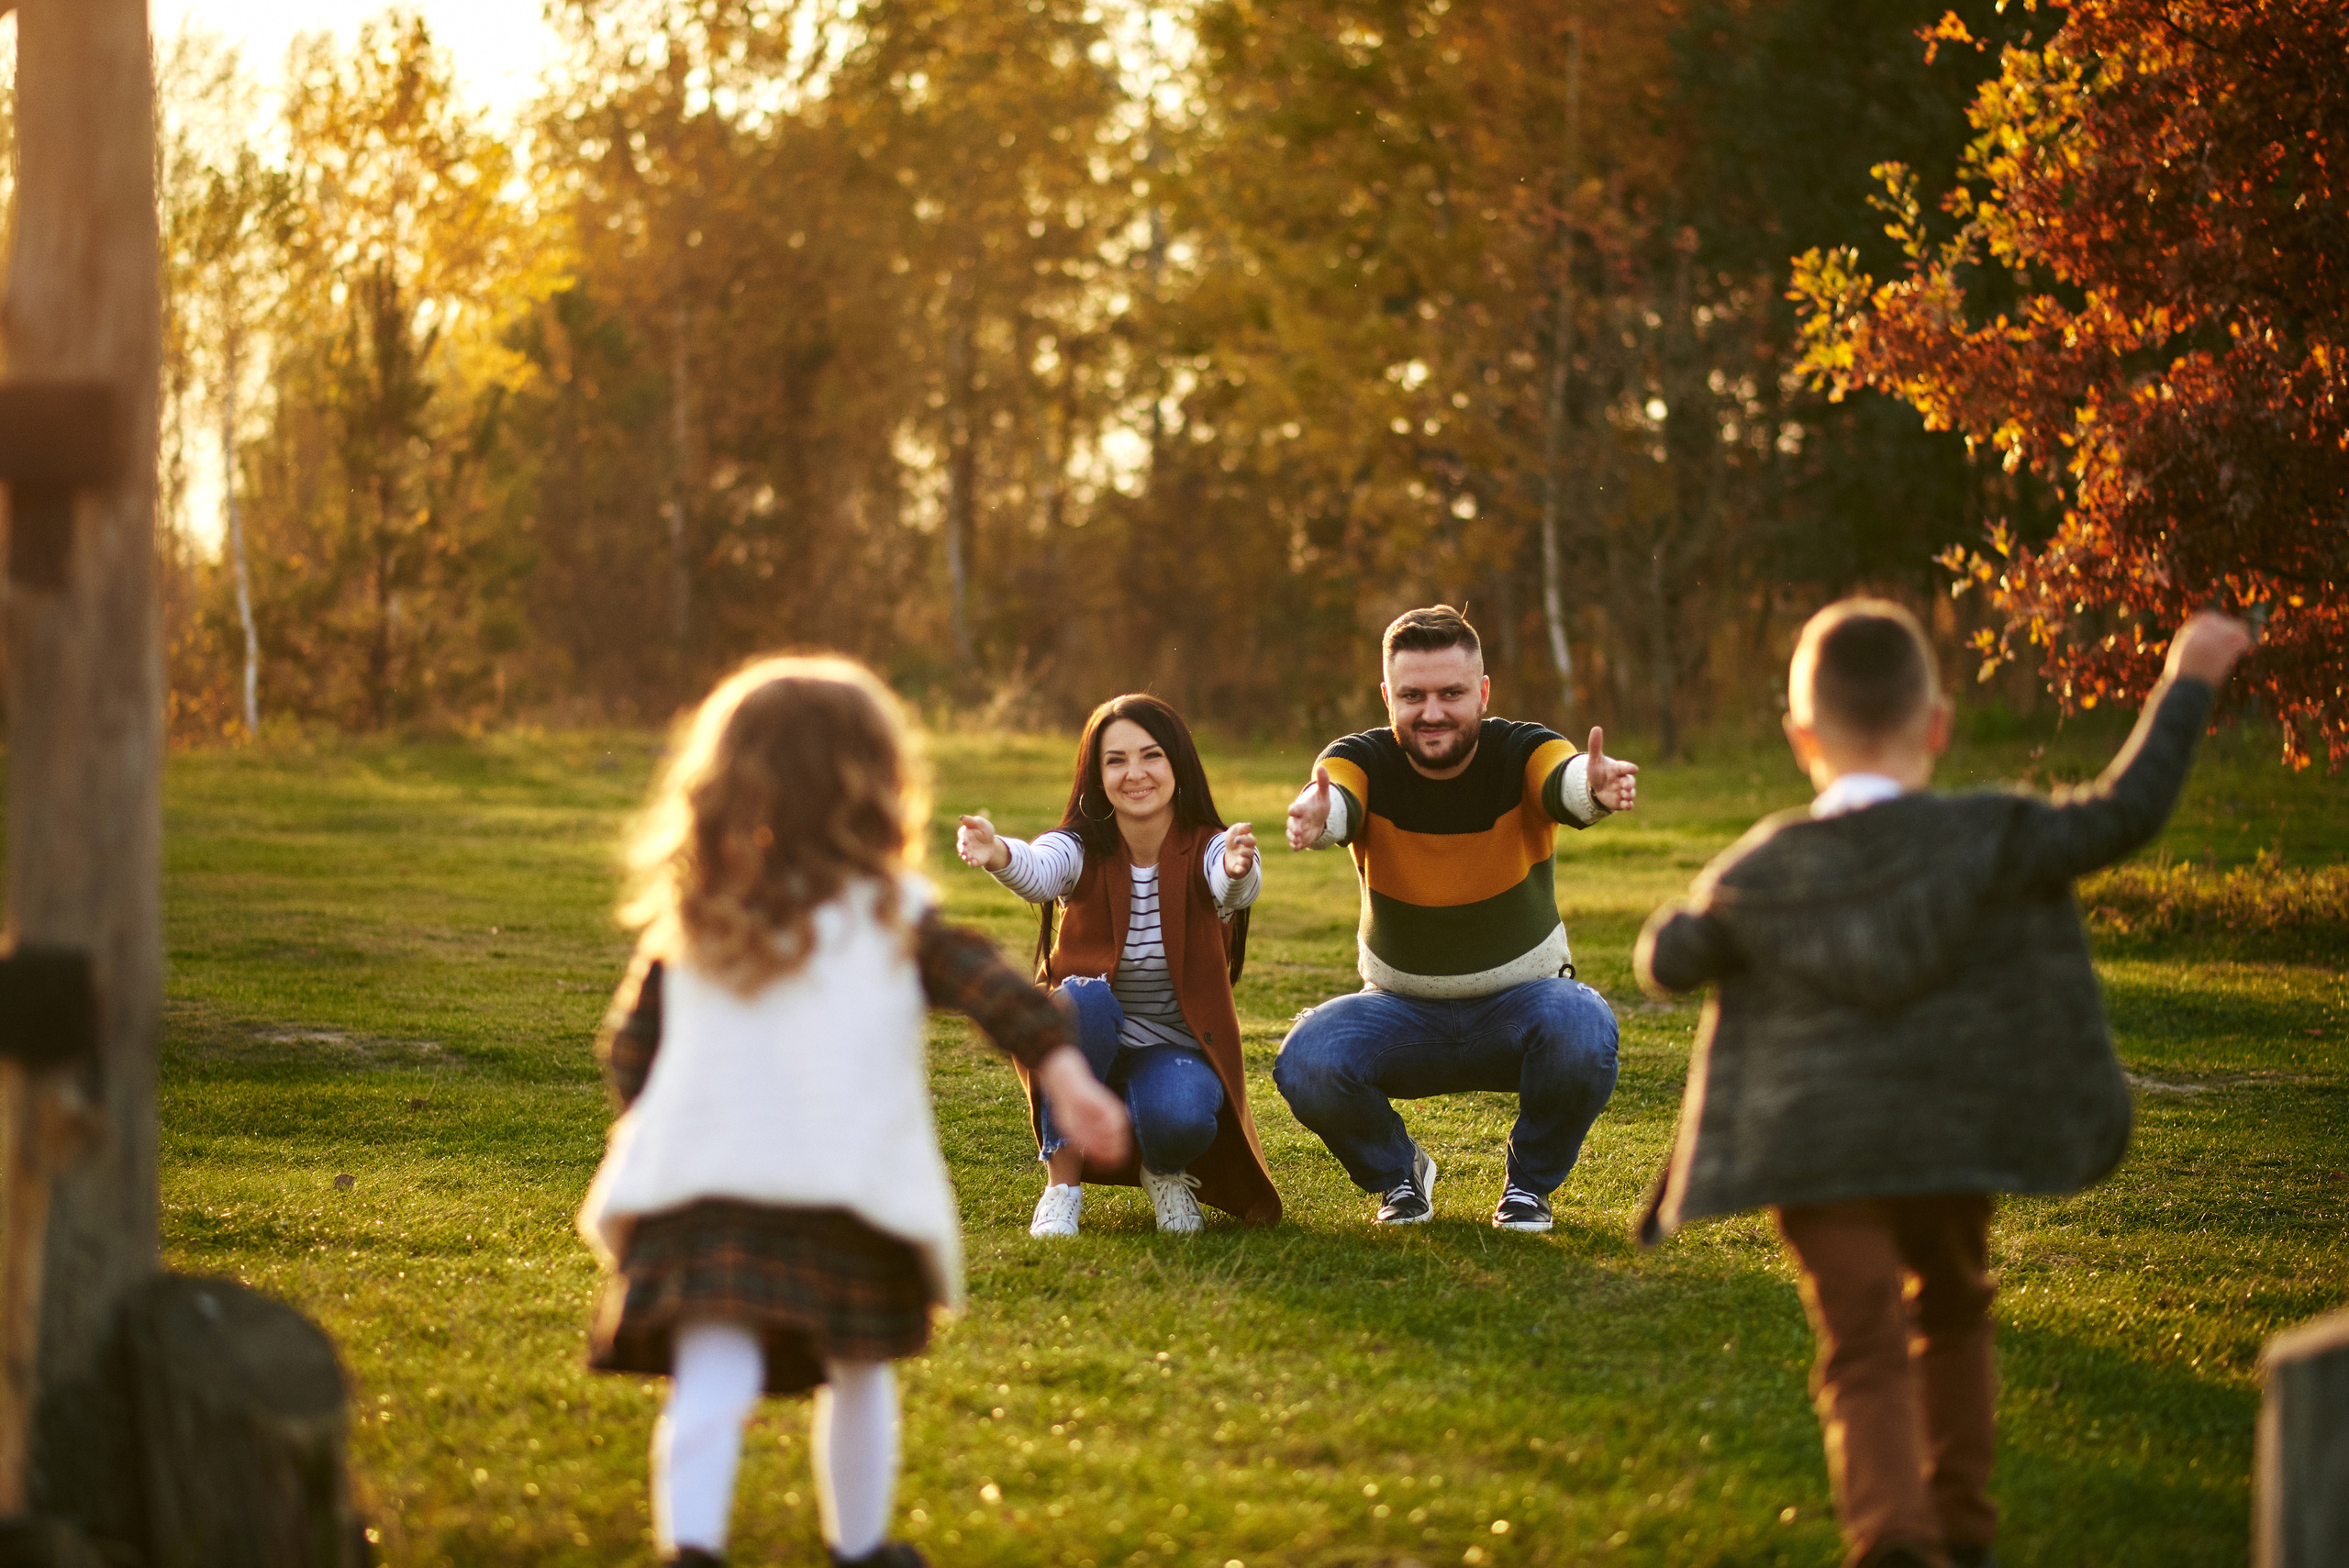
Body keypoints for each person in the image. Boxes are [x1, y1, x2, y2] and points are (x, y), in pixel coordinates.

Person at [1633, 601, 2256, 1568]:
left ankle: (1891, 1534)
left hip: (1814, 1149)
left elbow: (1668, 961)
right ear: (1936, 724)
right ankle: (1960, 1523)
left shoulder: (1764, 865)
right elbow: (2122, 811)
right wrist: (2188, 678)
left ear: (1801, 737)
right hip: (1949, 1130)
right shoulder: (1991, 832)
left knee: (1862, 1342)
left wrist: (1687, 926)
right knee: (1954, 1304)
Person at [574, 655, 1131, 1568]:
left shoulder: (697, 917)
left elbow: (627, 1049)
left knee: (711, 1370)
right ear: (873, 783)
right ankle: (861, 1547)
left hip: (707, 1190)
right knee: (860, 1370)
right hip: (844, 1188)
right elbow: (997, 989)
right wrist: (1065, 1070)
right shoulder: (888, 911)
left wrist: (663, 1125)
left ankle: (692, 1548)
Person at [1277, 605, 1639, 1231]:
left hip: (1523, 1007)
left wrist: (1592, 785)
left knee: (1582, 1023)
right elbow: (1337, 797)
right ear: (1388, 695)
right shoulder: (1361, 758)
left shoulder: (1521, 748)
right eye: (1413, 695)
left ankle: (1528, 1187)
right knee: (1308, 1056)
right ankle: (1400, 1174)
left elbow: (1563, 777)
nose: (1433, 711)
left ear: (1483, 692)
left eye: (1452, 692)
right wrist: (1321, 816)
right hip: (1400, 1012)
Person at [956, 693, 1283, 1238]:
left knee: (1178, 1115)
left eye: (1151, 756)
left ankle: (1166, 1170)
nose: (1135, 773)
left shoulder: (1207, 846)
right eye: (1116, 760)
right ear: (1096, 774)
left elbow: (1231, 883)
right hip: (1086, 1045)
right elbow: (1040, 867)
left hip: (1173, 1055)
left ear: (1177, 763)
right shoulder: (1082, 846)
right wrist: (1000, 855)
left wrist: (1236, 867)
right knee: (1081, 998)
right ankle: (1061, 1186)